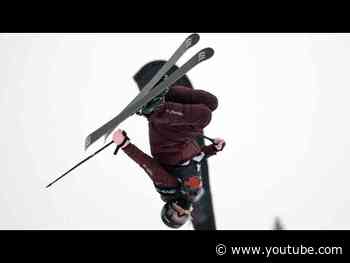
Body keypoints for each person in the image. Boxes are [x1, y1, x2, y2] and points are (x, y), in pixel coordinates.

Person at [112, 61, 225, 228]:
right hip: (179, 134)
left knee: (204, 116)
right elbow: (196, 159)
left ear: (169, 208)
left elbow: (148, 165)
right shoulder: (190, 189)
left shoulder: (168, 188)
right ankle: (165, 94)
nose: (182, 213)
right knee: (211, 103)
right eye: (183, 218)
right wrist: (214, 148)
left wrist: (125, 145)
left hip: (166, 137)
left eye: (175, 214)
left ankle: (155, 109)